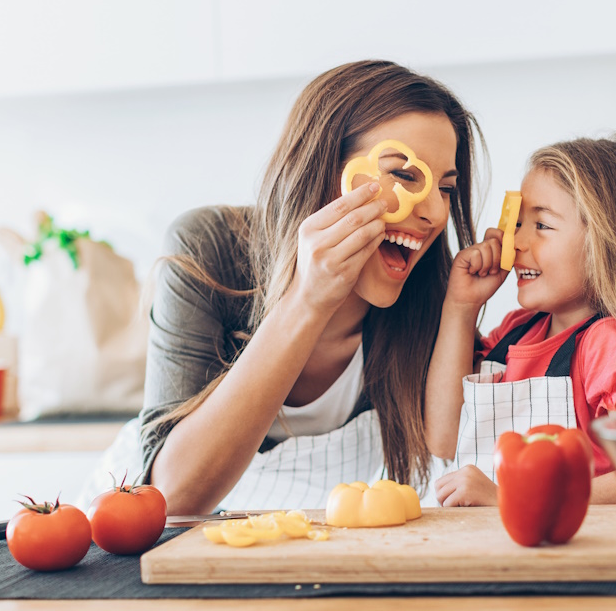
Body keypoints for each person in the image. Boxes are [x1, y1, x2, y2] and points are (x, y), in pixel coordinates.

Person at [140, 60, 484, 514]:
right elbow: (173, 499)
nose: (436, 214)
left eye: (446, 188)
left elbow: (447, 452)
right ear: (322, 168)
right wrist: (307, 300)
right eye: (403, 176)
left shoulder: (432, 296)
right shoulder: (208, 248)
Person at [423, 133, 616, 506]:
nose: (516, 243)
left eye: (541, 225)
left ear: (607, 244)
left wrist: (515, 496)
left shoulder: (609, 346)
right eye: (518, 224)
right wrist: (460, 307)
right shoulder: (515, 333)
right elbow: (445, 438)